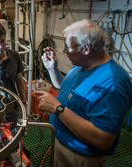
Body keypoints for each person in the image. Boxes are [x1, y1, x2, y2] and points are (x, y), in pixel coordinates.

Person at [34, 19, 132, 167]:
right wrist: (52, 69)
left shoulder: (112, 84)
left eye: (67, 47)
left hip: (79, 158)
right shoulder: (82, 65)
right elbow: (68, 89)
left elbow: (102, 140)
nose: (64, 51)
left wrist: (58, 109)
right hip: (62, 145)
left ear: (86, 49)